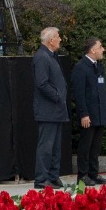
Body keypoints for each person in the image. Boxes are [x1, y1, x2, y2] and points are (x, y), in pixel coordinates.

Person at [33, 26, 68, 188]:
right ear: (51, 40)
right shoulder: (42, 57)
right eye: (58, 36)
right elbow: (42, 83)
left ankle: (53, 176)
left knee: (55, 147)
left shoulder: (51, 56)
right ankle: (41, 179)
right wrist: (57, 95)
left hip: (56, 110)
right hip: (48, 110)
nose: (60, 39)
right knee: (46, 146)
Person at [71, 36, 106, 186]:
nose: (103, 49)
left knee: (96, 146)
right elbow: (79, 94)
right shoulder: (81, 67)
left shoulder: (98, 66)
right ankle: (83, 175)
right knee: (86, 145)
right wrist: (84, 114)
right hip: (89, 114)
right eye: (101, 47)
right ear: (93, 49)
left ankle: (94, 173)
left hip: (99, 113)